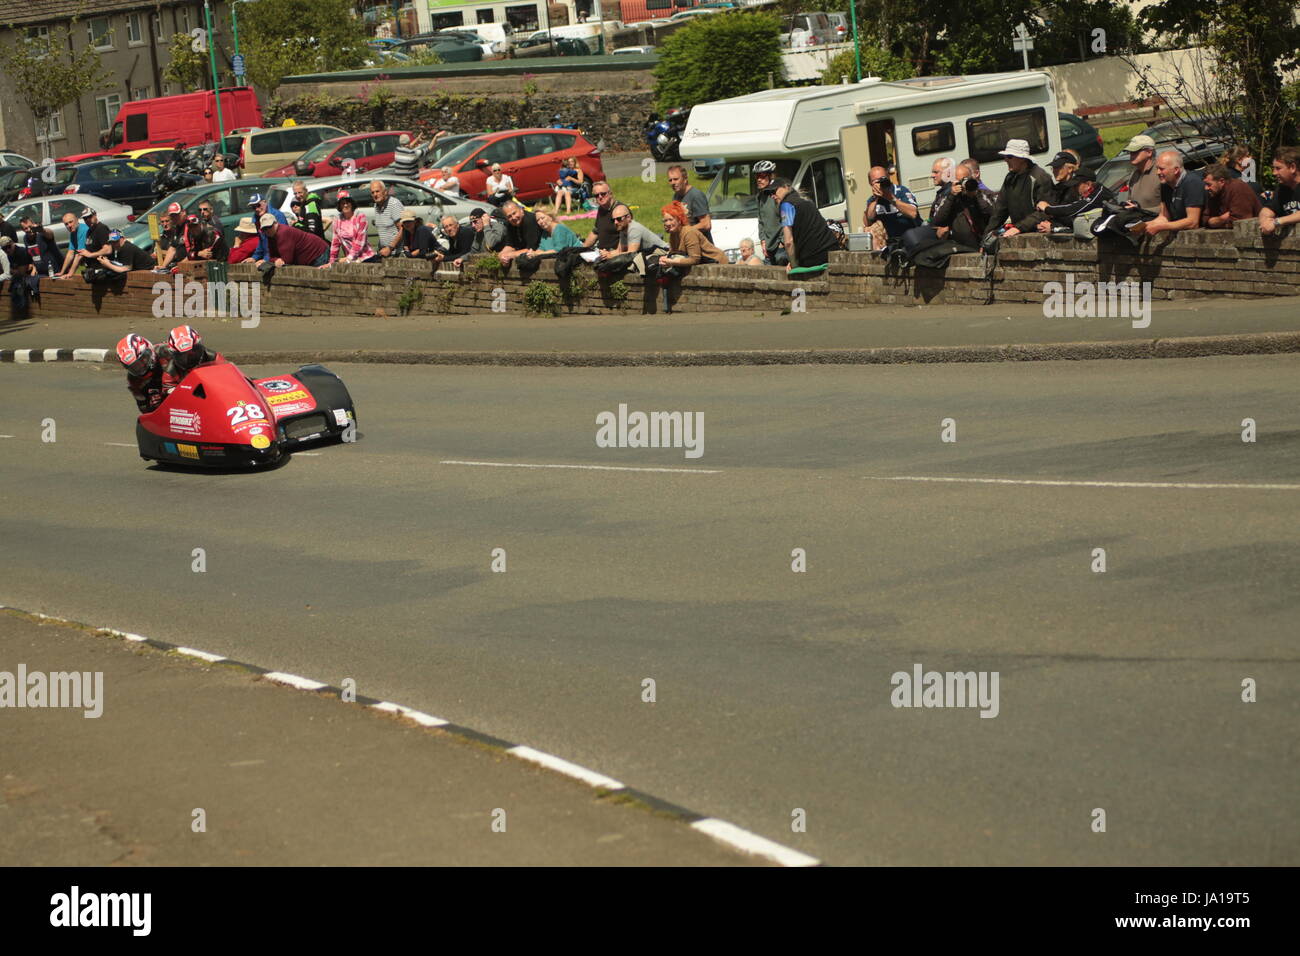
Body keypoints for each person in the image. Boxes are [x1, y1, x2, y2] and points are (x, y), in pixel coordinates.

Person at [983, 139, 1053, 239]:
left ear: (1022, 159)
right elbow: (999, 212)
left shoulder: (1040, 177)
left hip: (1038, 235)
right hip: (1018, 233)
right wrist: (986, 236)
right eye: (1005, 156)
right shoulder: (1010, 178)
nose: (1005, 160)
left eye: (1009, 157)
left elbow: (1045, 211)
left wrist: (1018, 228)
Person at [773, 178, 840, 271]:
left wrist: (794, 264)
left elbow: (788, 242)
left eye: (774, 191)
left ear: (786, 187)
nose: (772, 196)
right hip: (833, 251)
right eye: (770, 194)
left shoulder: (786, 205)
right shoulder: (805, 202)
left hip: (814, 257)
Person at [1142, 150, 1204, 235]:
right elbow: (1164, 217)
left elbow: (1193, 222)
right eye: (1157, 168)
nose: (1158, 172)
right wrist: (1144, 226)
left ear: (1176, 170)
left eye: (1162, 169)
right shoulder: (1165, 185)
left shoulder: (1192, 183)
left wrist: (1160, 227)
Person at [658, 200, 727, 277]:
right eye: (665, 220)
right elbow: (673, 254)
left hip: (717, 263)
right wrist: (665, 259)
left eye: (671, 220)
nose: (667, 223)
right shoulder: (673, 234)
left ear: (679, 220)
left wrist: (671, 262)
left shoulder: (689, 233)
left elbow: (694, 259)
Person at [115, 334, 176, 412]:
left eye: (142, 360)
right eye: (134, 367)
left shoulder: (166, 351)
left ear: (148, 350)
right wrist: (153, 405)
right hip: (170, 408)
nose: (141, 367)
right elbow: (143, 409)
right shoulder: (133, 381)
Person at [864, 164, 920, 245]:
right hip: (889, 242)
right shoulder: (872, 200)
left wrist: (891, 198)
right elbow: (868, 221)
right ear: (870, 183)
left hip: (910, 238)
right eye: (876, 181)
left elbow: (913, 213)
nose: (880, 183)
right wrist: (876, 198)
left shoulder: (901, 191)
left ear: (889, 178)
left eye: (883, 179)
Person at [1035, 151, 1084, 232]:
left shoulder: (1076, 188)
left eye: (1058, 167)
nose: (1054, 171)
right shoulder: (1058, 188)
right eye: (1053, 168)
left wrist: (1053, 226)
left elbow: (1072, 219)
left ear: (1070, 169)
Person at [1201, 163, 1262, 229]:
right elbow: (1205, 220)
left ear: (1221, 181)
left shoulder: (1238, 188)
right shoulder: (1214, 193)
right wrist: (1222, 218)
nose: (1206, 188)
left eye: (1209, 184)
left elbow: (1239, 221)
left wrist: (1215, 221)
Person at [1259, 146, 1300, 237]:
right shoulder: (1282, 188)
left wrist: (1277, 222)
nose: (1274, 173)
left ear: (1292, 167)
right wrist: (1264, 221)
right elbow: (1268, 209)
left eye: (1278, 168)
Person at [326, 191, 375, 265]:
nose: (345, 205)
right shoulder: (337, 220)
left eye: (347, 202)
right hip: (351, 259)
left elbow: (360, 242)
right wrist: (331, 262)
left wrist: (348, 258)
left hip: (365, 257)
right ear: (339, 206)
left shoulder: (360, 217)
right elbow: (335, 244)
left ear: (352, 203)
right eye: (342, 203)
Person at [753, 160, 786, 265]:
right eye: (757, 176)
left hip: (781, 248)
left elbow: (786, 219)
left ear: (771, 176)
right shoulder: (759, 196)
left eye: (762, 176)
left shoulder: (778, 195)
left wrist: (782, 241)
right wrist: (763, 241)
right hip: (768, 248)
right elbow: (761, 221)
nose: (759, 179)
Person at [497, 201, 543, 276]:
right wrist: (501, 255)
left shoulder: (530, 220)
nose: (513, 217)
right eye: (509, 216)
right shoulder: (510, 223)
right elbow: (510, 245)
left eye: (514, 213)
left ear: (521, 210)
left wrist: (510, 255)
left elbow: (530, 249)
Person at [667, 164, 712, 240]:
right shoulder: (676, 196)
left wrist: (684, 231)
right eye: (670, 180)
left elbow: (706, 224)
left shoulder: (696, 196)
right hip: (685, 244)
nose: (673, 183)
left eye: (676, 179)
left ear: (685, 179)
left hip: (700, 247)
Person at [1121, 134, 1162, 213]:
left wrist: (1141, 210)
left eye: (1135, 151)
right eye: (1130, 152)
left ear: (1149, 152)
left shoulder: (1160, 172)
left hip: (1158, 223)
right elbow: (1131, 201)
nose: (1131, 155)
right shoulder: (1134, 174)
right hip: (1137, 222)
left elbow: (1171, 207)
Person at [247, 192, 288, 262]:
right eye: (253, 207)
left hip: (280, 257)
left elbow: (283, 240)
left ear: (265, 202)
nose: (257, 209)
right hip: (268, 257)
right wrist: (254, 257)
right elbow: (261, 240)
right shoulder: (256, 219)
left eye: (258, 205)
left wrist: (266, 259)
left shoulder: (278, 215)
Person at [368, 180, 404, 258]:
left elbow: (403, 229)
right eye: (372, 192)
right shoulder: (376, 206)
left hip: (397, 253)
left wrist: (390, 248)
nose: (375, 194)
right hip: (385, 252)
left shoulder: (393, 204)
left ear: (385, 192)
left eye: (377, 191)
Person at [582, 182, 621, 253]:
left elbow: (627, 237)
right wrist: (581, 249)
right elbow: (595, 232)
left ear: (610, 194)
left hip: (613, 254)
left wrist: (612, 254)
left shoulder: (620, 211)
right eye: (596, 195)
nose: (600, 197)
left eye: (603, 194)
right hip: (601, 251)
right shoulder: (601, 208)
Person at [56, 211, 89, 278]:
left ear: (77, 220)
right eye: (66, 224)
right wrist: (62, 272)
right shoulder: (73, 232)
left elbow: (79, 255)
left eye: (71, 222)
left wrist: (70, 273)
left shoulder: (83, 230)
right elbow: (70, 253)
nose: (69, 226)